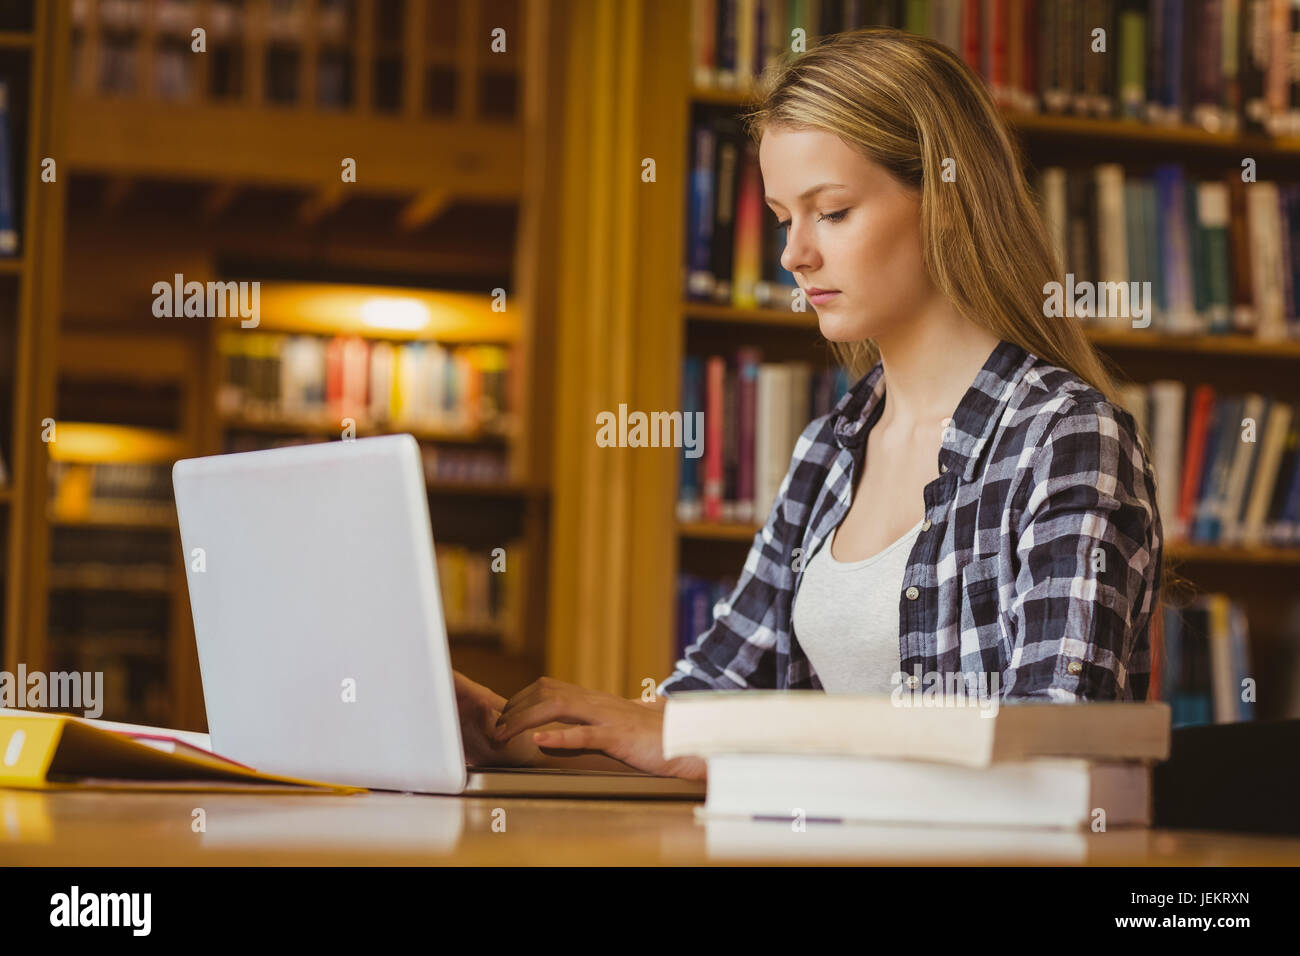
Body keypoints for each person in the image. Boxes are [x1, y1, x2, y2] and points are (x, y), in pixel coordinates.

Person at [456, 27, 1165, 782]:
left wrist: (723, 741)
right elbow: (701, 707)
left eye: (830, 212)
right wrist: (509, 736)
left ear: (947, 203)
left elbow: (1052, 746)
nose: (794, 254)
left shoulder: (1067, 439)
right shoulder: (831, 448)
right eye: (782, 216)